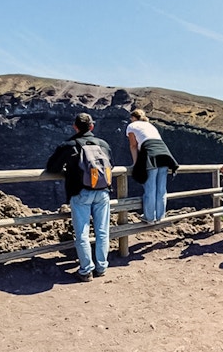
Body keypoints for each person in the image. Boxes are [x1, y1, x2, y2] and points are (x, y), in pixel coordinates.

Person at [46, 113, 113, 282]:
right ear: (92, 127)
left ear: (75, 127)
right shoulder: (103, 144)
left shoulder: (69, 145)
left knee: (82, 233)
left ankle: (86, 271)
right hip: (103, 191)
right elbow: (112, 164)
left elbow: (52, 168)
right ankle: (101, 267)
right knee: (102, 231)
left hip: (80, 193)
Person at [126, 109, 179, 224]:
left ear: (133, 118)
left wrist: (135, 164)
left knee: (150, 188)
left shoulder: (132, 126)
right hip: (164, 153)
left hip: (150, 154)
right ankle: (160, 217)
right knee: (161, 189)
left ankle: (149, 217)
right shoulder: (150, 125)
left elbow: (133, 146)